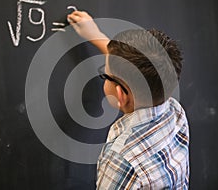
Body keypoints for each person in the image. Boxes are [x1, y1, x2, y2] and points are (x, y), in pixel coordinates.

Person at [68, 11, 189, 189]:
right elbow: (139, 67)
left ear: (121, 95)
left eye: (105, 74)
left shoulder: (121, 160)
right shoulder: (175, 112)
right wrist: (96, 36)